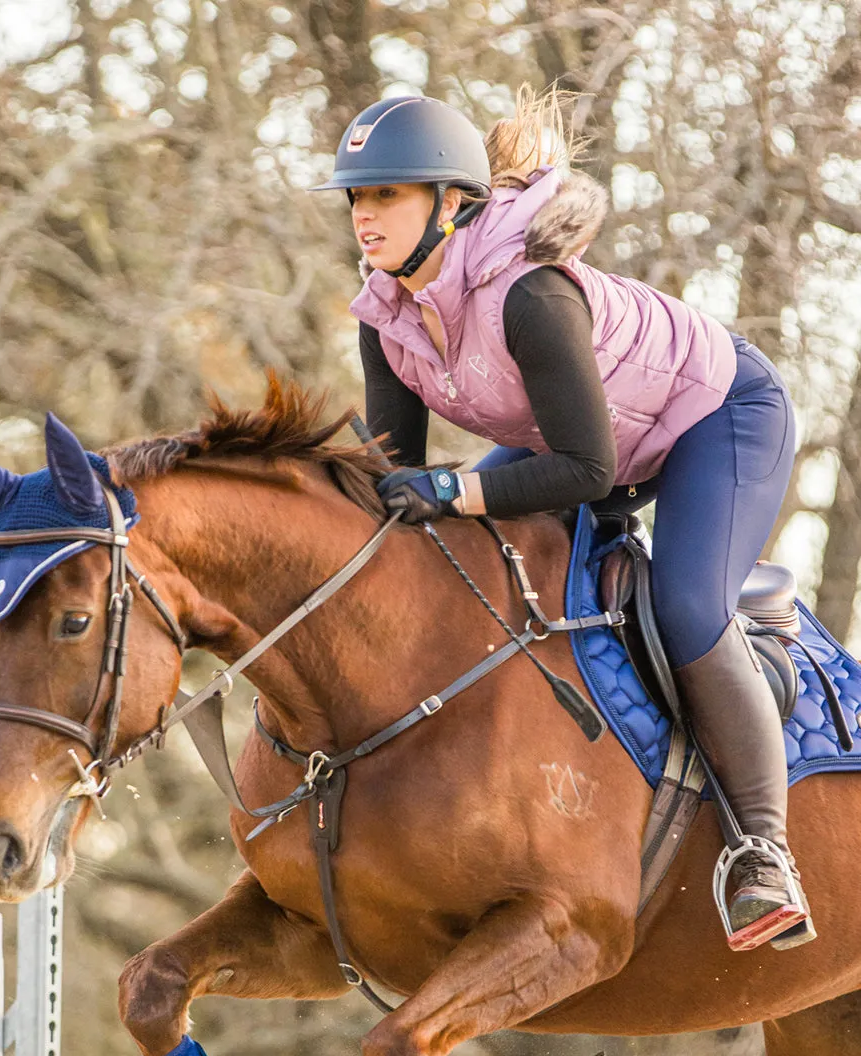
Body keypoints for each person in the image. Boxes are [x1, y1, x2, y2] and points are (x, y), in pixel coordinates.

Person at [311, 87, 812, 952]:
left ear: (451, 202)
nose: (365, 216)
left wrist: (459, 492)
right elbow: (402, 481)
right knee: (453, 546)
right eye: (358, 196)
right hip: (587, 437)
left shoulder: (530, 297)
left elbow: (589, 472)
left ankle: (764, 852)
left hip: (717, 417)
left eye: (386, 193)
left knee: (686, 607)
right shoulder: (385, 318)